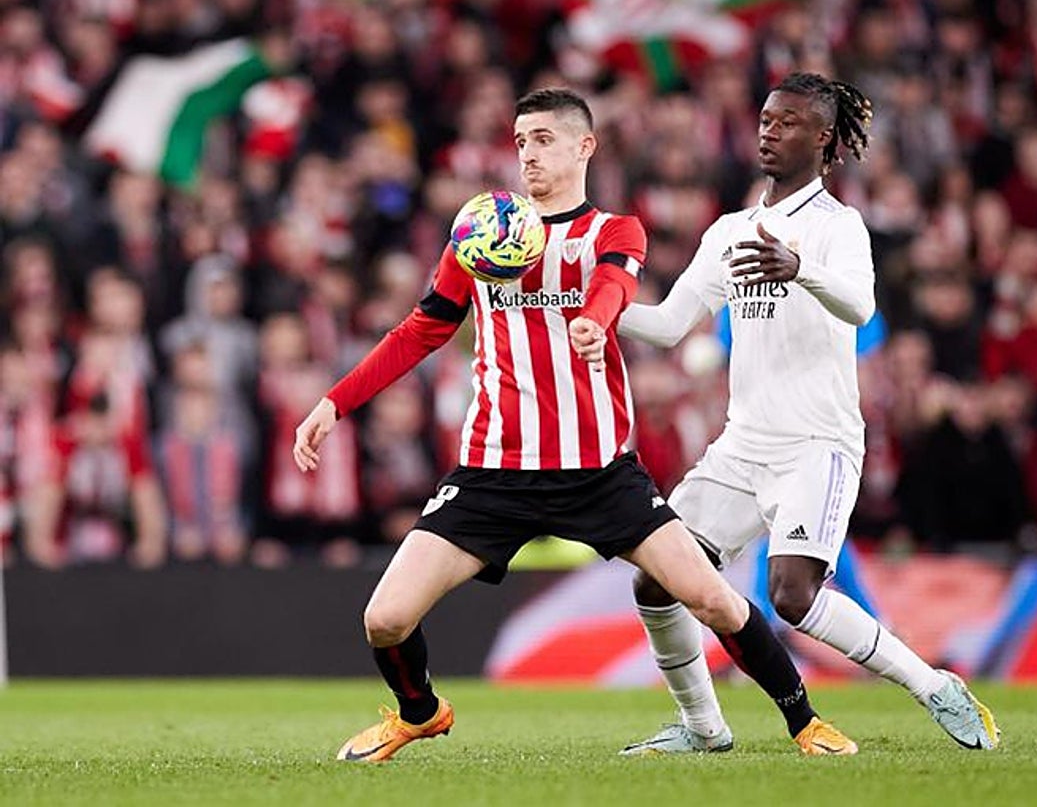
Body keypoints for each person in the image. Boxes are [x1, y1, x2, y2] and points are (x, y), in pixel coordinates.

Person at [292, 88, 856, 763]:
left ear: (584, 146)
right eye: (520, 141)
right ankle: (421, 713)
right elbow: (421, 331)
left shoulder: (613, 231)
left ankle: (805, 723)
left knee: (712, 599)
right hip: (494, 472)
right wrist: (334, 403)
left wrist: (594, 318)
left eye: (543, 139)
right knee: (384, 619)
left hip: (598, 473)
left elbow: (615, 284)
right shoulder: (481, 233)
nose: (528, 154)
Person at [610, 72, 1000, 754]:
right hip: (742, 445)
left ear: (823, 139)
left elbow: (861, 306)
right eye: (766, 119)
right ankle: (702, 727)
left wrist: (799, 268)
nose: (769, 131)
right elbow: (670, 324)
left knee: (792, 595)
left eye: (787, 122)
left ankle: (934, 685)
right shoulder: (730, 231)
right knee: (657, 578)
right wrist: (591, 308)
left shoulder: (838, 226)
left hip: (816, 444)